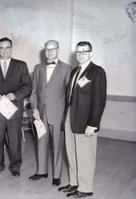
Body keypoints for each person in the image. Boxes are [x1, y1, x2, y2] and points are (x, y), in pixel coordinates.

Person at [58, 41, 107, 198]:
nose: (80, 55)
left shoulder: (97, 72)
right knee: (71, 152)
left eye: (84, 52)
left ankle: (85, 188)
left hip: (86, 121)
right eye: (78, 52)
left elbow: (99, 99)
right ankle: (74, 182)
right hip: (70, 117)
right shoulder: (75, 72)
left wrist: (93, 124)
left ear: (90, 53)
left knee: (85, 155)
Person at [0, 37, 32, 176]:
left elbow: (28, 86)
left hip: (14, 109)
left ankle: (15, 166)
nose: (5, 50)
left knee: (14, 140)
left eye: (8, 47)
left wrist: (15, 95)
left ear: (11, 48)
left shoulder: (21, 65)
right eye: (2, 48)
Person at [29, 40, 72, 185]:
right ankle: (42, 171)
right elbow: (34, 92)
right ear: (44, 51)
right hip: (40, 113)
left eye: (53, 49)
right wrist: (34, 108)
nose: (50, 52)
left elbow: (68, 96)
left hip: (58, 113)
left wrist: (65, 115)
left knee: (57, 145)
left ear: (58, 50)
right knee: (41, 142)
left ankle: (57, 175)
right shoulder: (38, 68)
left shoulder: (67, 68)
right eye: (47, 49)